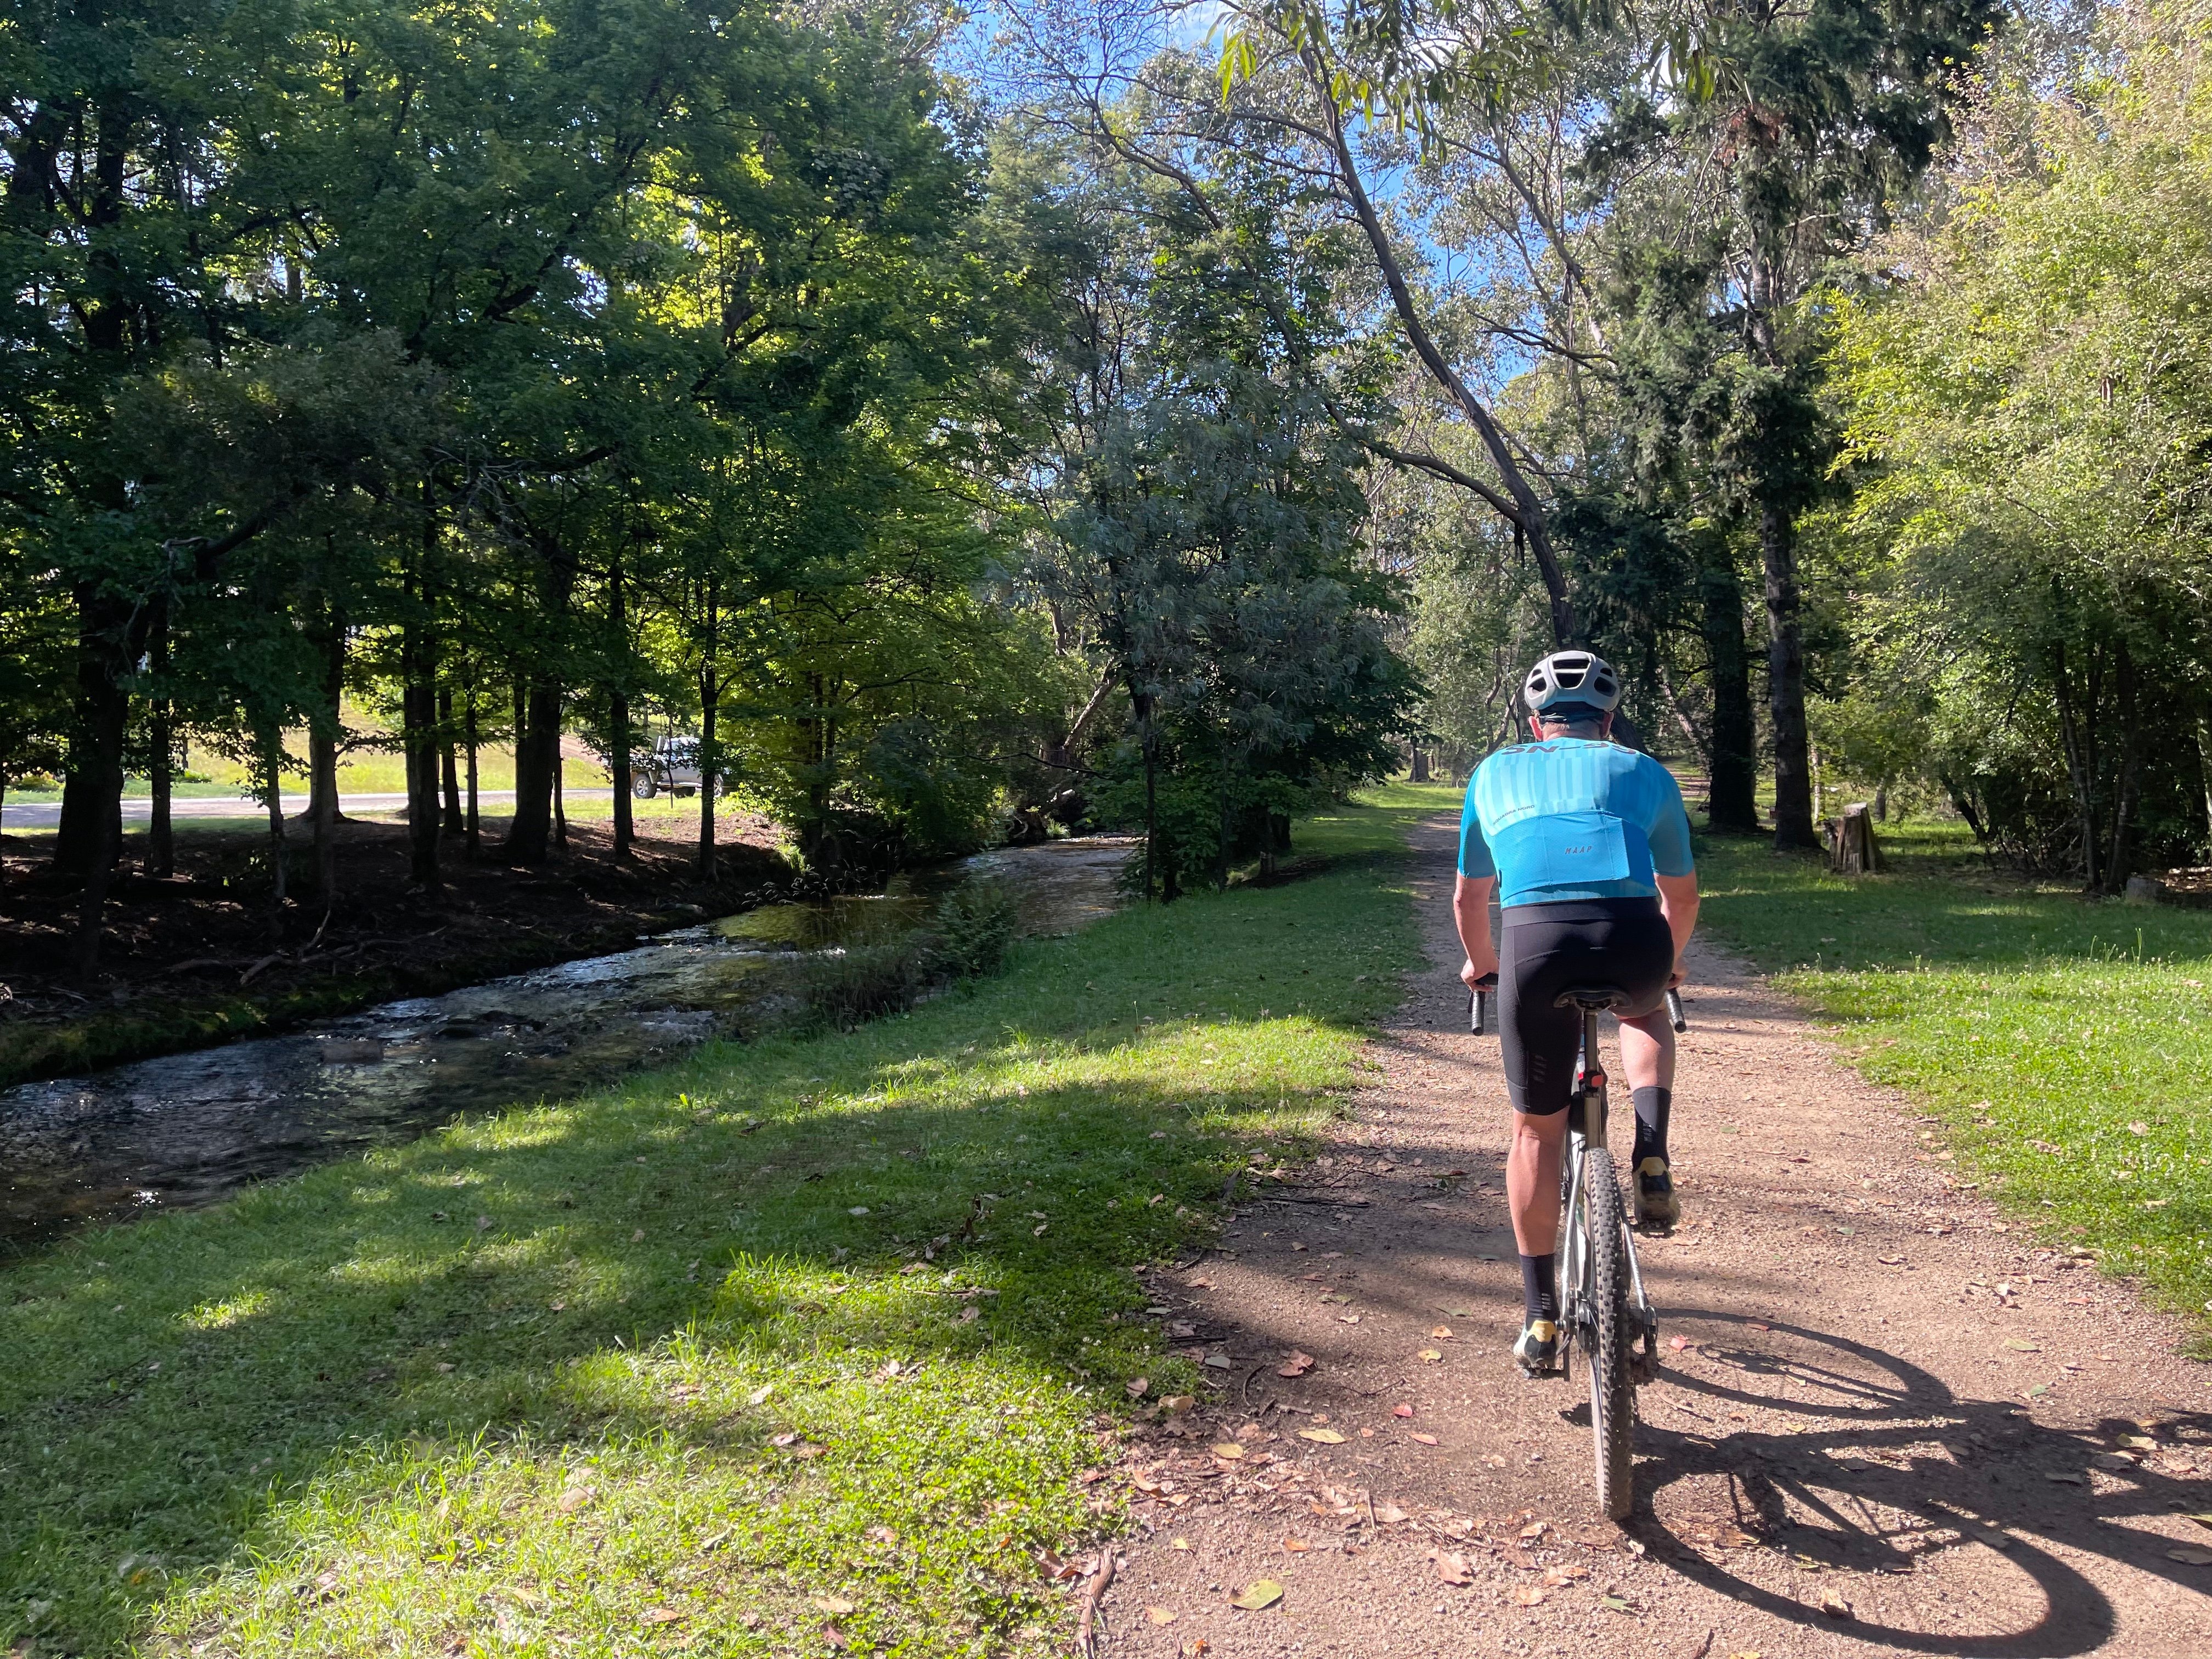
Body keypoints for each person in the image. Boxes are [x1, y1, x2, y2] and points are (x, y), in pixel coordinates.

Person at [1453, 651, 1700, 1376]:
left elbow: (1471, 901)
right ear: (1610, 721)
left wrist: (1481, 964)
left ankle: (1540, 1319)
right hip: (1633, 937)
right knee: (1646, 1013)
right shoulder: (1647, 773)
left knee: (1538, 1131)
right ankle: (1651, 1150)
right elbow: (1679, 897)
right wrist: (1669, 960)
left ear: (1535, 724)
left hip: (1535, 944)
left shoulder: (1493, 772)